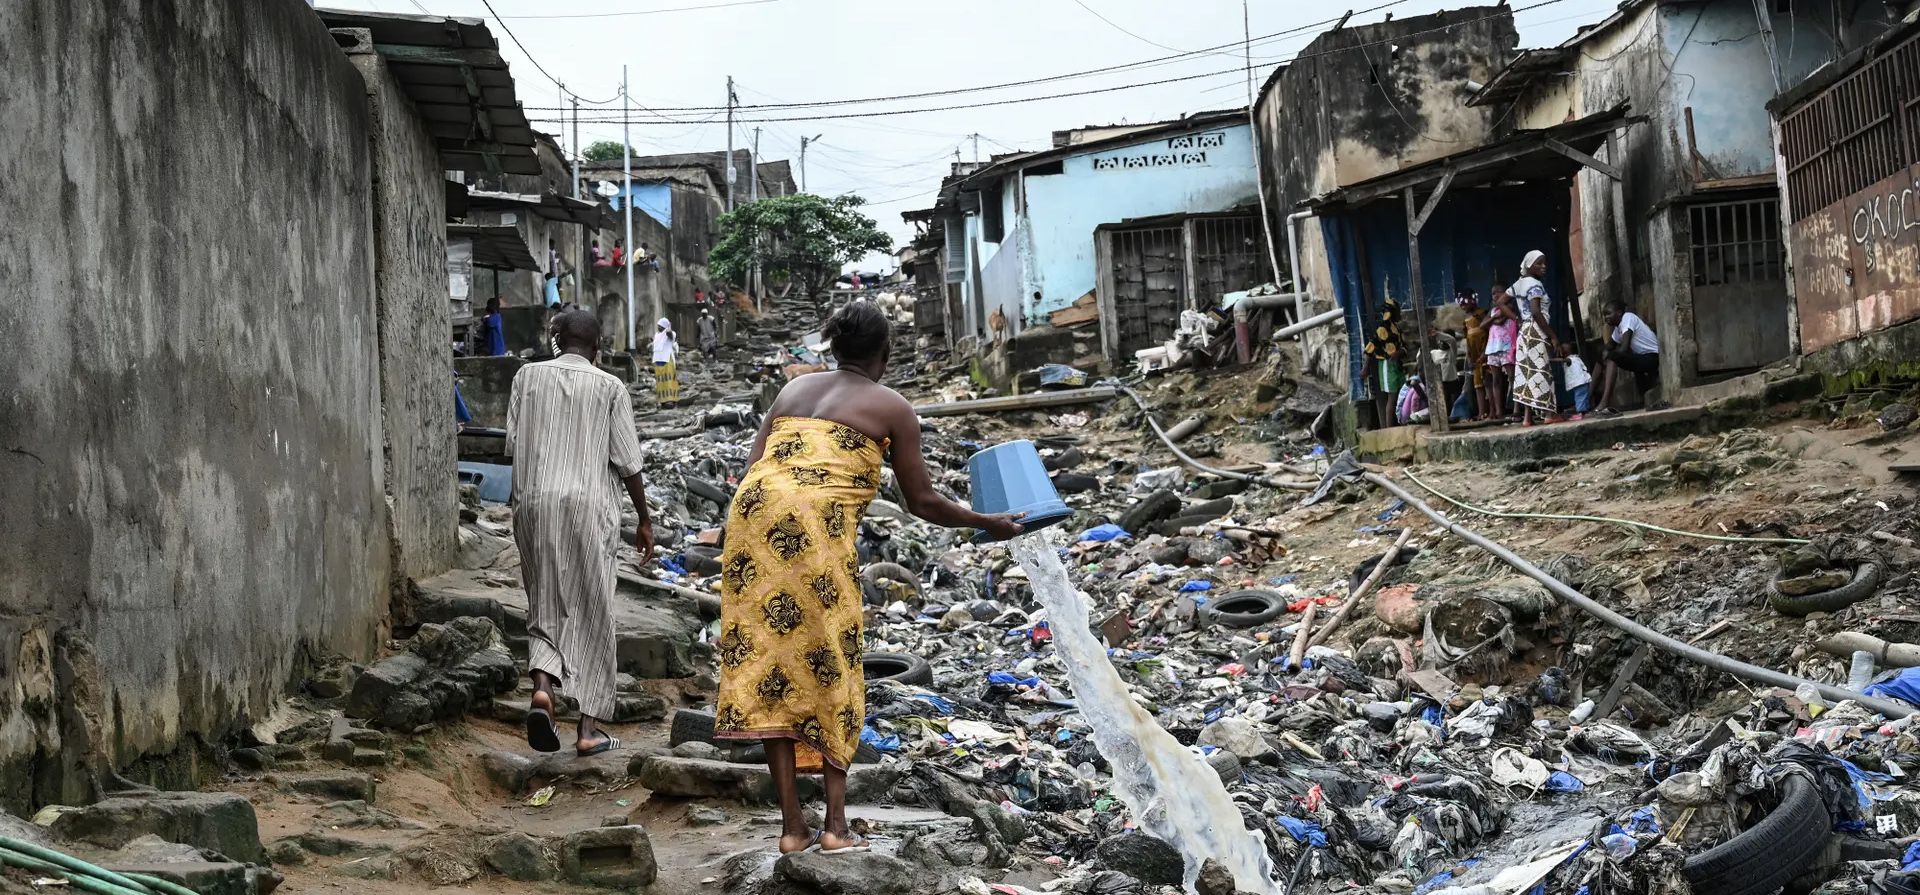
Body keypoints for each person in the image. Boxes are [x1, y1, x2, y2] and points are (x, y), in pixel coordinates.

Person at [713, 303, 1023, 855]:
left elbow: (757, 464)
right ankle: (835, 827)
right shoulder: (894, 407)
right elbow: (923, 500)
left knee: (767, 663)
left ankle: (791, 829)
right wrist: (985, 521)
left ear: (834, 349)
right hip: (812, 530)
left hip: (752, 520)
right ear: (885, 353)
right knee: (833, 661)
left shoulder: (791, 393)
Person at [506, 309, 651, 757]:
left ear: (556, 339)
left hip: (533, 503)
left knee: (544, 600)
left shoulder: (526, 377)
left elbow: (513, 443)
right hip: (588, 508)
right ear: (598, 346)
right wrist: (644, 519)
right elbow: (628, 462)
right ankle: (588, 729)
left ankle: (544, 690)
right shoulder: (609, 387)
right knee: (593, 607)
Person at [1508, 251, 1560, 426]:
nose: (1543, 266)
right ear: (1529, 265)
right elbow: (1536, 311)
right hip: (1537, 330)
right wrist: (1552, 336)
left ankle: (1527, 418)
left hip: (1524, 331)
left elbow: (1500, 302)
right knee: (1542, 371)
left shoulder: (1519, 284)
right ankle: (1548, 415)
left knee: (1526, 373)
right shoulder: (1535, 285)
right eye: (1539, 263)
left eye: (1544, 263)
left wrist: (1517, 318)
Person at [1596, 299, 1661, 413]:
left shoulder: (1628, 318)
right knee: (1601, 359)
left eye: (1608, 313)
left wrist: (1609, 354)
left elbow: (1624, 348)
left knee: (1612, 357)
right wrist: (1603, 353)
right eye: (1604, 315)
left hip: (1652, 358)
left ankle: (1605, 401)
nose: (1606, 317)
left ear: (1619, 313)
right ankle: (1586, 401)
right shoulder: (1618, 328)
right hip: (1643, 358)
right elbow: (1610, 345)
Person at [1361, 298, 1408, 428]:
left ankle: (1400, 422)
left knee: (1401, 393)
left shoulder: (1396, 327)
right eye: (1397, 312)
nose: (1400, 314)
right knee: (1392, 397)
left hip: (1396, 364)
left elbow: (1403, 346)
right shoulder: (1383, 328)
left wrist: (1400, 353)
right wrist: (1366, 368)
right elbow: (1371, 347)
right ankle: (1389, 427)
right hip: (1387, 364)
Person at [1484, 290, 1518, 421]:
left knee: (1512, 378)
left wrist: (1492, 320)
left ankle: (1516, 409)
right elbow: (1483, 325)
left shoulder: (1509, 308)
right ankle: (1499, 411)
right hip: (1492, 348)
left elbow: (1500, 321)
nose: (1495, 295)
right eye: (1493, 293)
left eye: (1499, 292)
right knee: (1496, 380)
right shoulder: (1492, 311)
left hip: (1507, 347)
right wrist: (1492, 318)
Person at [1459, 291, 1491, 421]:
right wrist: (1469, 356)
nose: (1463, 307)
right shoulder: (1466, 321)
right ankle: (1481, 412)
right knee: (1478, 385)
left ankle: (1492, 411)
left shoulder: (1481, 315)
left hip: (1486, 354)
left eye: (1465, 304)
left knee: (1488, 383)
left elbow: (1488, 334)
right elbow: (1467, 339)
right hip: (1474, 358)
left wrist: (1485, 353)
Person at [1560, 341, 1594, 420]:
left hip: (1580, 382)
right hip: (1582, 381)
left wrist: (1550, 360)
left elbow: (1564, 360)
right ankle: (1585, 412)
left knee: (1579, 397)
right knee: (1582, 396)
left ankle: (1581, 413)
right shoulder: (1576, 358)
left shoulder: (1571, 359)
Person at [652, 317, 680, 408]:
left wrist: (669, 327)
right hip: (658, 361)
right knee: (660, 381)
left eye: (660, 326)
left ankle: (670, 400)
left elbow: (669, 333)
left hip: (667, 360)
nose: (658, 328)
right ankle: (662, 400)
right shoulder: (657, 335)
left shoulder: (671, 334)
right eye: (658, 326)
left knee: (669, 381)